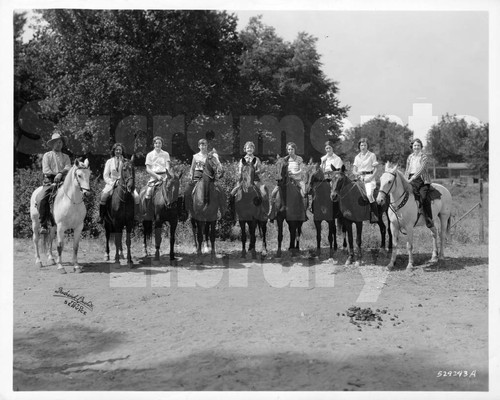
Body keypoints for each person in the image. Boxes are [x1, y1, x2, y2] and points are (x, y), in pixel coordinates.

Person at [38, 132, 72, 234]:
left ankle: (73, 221)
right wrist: (56, 174)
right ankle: (43, 225)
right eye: (57, 142)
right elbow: (46, 170)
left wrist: (60, 173)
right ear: (52, 144)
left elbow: (68, 167)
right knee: (41, 198)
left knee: (77, 194)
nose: (59, 144)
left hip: (63, 181)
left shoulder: (66, 157)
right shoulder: (47, 156)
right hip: (49, 181)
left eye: (61, 142)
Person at [98, 143, 140, 224]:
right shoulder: (109, 161)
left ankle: (136, 216)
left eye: (119, 150)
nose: (118, 151)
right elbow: (105, 175)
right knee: (103, 196)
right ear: (113, 151)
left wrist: (127, 182)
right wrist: (111, 182)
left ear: (122, 151)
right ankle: (101, 217)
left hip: (124, 183)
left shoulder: (126, 161)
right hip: (112, 183)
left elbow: (129, 173)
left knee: (137, 196)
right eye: (116, 150)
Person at [228, 141, 269, 219]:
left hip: (255, 180)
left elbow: (260, 169)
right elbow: (240, 170)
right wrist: (243, 174)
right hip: (244, 180)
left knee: (263, 193)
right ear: (245, 149)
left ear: (253, 149)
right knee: (232, 193)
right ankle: (232, 213)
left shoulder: (256, 159)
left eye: (251, 148)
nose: (249, 149)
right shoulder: (242, 160)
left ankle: (264, 212)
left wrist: (253, 171)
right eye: (248, 148)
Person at [268, 142, 307, 221]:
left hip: (297, 179)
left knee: (304, 192)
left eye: (292, 149)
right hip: (286, 179)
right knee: (273, 193)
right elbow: (280, 168)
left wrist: (293, 173)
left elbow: (302, 170)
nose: (290, 151)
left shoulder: (299, 158)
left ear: (295, 149)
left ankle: (303, 213)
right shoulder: (285, 159)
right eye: (289, 149)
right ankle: (272, 212)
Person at [183, 138, 222, 213]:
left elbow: (216, 165)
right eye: (201, 145)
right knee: (187, 191)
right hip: (198, 175)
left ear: (207, 146)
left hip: (209, 176)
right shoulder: (195, 156)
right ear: (199, 146)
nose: (203, 147)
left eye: (205, 145)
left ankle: (220, 210)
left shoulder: (210, 156)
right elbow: (192, 168)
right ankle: (186, 211)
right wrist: (191, 175)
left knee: (219, 190)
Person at [405, 138, 434, 228]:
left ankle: (429, 219)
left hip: (422, 181)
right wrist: (405, 179)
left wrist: (413, 177)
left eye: (418, 145)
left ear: (421, 147)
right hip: (410, 179)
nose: (416, 147)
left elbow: (421, 170)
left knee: (424, 197)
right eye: (415, 145)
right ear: (412, 147)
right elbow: (407, 169)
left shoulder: (424, 157)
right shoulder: (410, 157)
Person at [352, 137, 379, 223]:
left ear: (367, 146)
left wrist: (371, 177)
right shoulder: (357, 157)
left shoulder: (372, 155)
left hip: (369, 177)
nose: (363, 147)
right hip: (359, 178)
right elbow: (354, 170)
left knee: (369, 194)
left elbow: (376, 169)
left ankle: (374, 215)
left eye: (365, 145)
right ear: (359, 146)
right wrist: (358, 174)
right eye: (361, 145)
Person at [144, 136, 173, 211]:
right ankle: (148, 211)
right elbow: (148, 169)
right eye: (156, 143)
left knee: (173, 190)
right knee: (148, 191)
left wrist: (167, 175)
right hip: (154, 177)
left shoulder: (166, 154)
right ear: (154, 144)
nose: (158, 144)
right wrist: (157, 176)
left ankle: (175, 212)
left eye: (159, 143)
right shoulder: (149, 155)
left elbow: (167, 165)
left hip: (165, 176)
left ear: (162, 144)